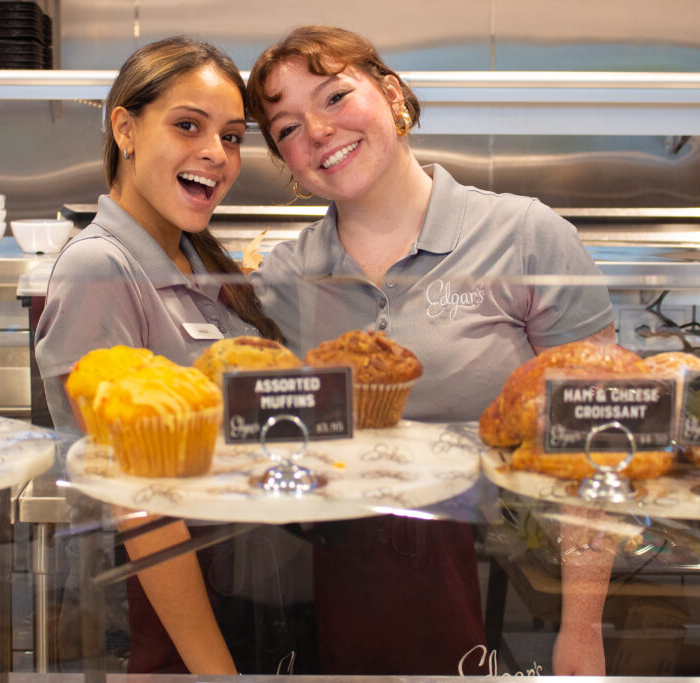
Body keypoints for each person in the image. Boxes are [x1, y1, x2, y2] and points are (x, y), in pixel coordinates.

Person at [245, 25, 616, 675]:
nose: (319, 131)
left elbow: (596, 442)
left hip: (515, 593)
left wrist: (581, 628)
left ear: (391, 95)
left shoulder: (526, 235)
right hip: (340, 599)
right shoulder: (282, 279)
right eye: (288, 128)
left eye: (334, 98)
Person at [34, 36, 282, 675]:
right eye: (188, 126)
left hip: (240, 588)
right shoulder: (100, 268)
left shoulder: (199, 258)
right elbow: (135, 503)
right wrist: (214, 668)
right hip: (171, 616)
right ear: (126, 128)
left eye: (231, 136)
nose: (216, 154)